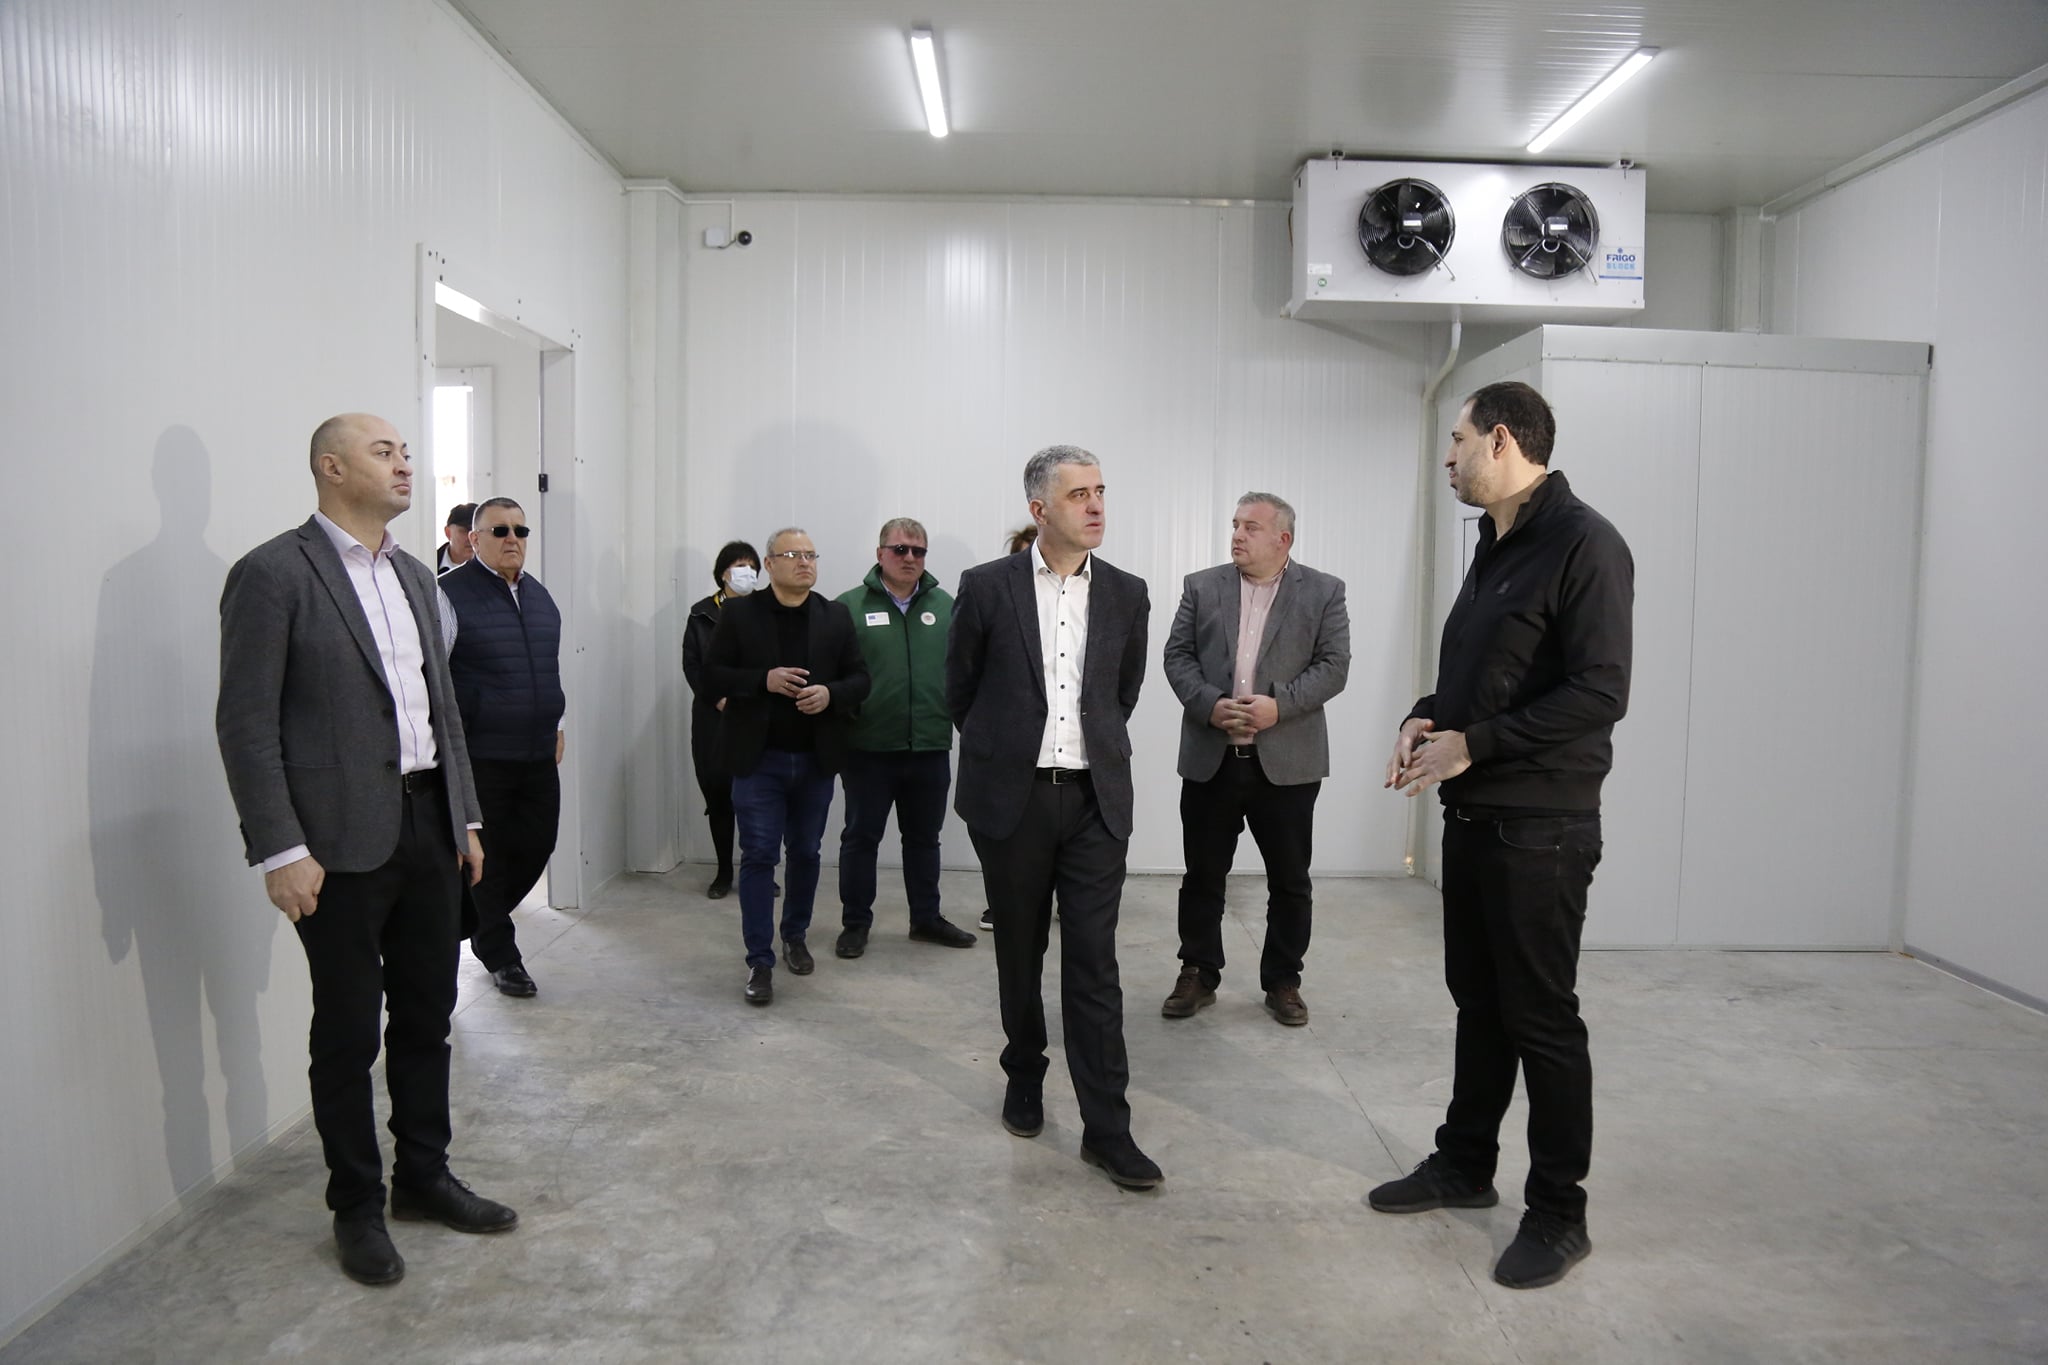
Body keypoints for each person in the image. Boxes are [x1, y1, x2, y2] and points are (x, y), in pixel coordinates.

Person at [216, 413, 516, 1288]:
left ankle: (423, 1176)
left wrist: (464, 818)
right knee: (348, 1030)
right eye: (384, 452)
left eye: (405, 453)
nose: (403, 464)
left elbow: (439, 708)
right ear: (331, 466)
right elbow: (246, 724)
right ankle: (356, 1205)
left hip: (427, 828)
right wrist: (280, 848)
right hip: (335, 843)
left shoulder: (418, 575)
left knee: (427, 1014)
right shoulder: (274, 573)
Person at [1371, 381, 1633, 1290]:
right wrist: (1425, 714)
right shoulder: (1493, 542)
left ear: (1503, 440)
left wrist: (1473, 743)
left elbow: (1601, 690)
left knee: (1541, 1018)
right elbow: (1492, 674)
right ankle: (1464, 1163)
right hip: (1475, 815)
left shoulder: (1587, 543)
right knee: (1479, 1003)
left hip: (1542, 827)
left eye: (1457, 438)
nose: (1447, 455)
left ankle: (1560, 1212)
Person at [946, 446, 1158, 1190]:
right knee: (1021, 949)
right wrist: (1006, 751)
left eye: (1100, 491)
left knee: (1095, 963)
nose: (1096, 506)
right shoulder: (986, 586)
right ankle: (1024, 1074)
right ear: (1039, 509)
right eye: (1078, 495)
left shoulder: (1127, 592)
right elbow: (961, 689)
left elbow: (1121, 692)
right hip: (1014, 800)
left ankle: (1108, 1129)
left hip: (1096, 799)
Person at [1159, 493, 1350, 1026]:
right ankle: (1198, 971)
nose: (1238, 535)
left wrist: (1278, 706)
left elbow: (1334, 666)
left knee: (1289, 880)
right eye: (1235, 525)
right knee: (1202, 875)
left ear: (1282, 539)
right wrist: (1209, 705)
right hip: (1212, 758)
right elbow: (1177, 656)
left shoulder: (1324, 591)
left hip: (1287, 764)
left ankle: (1284, 980)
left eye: (1251, 527)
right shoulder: (1201, 586)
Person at [705, 527, 870, 1005]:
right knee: (759, 856)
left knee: (806, 853)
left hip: (815, 761)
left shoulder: (835, 616)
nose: (804, 562)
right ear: (770, 564)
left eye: (811, 555)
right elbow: (711, 676)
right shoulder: (739, 614)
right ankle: (759, 960)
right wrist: (764, 680)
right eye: (793, 554)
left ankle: (794, 935)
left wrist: (831, 694)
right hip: (759, 761)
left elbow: (861, 679)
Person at [438, 497, 565, 999]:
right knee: (484, 862)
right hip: (480, 755)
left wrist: (559, 722)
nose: (513, 538)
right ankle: (499, 952)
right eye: (500, 530)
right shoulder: (447, 595)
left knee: (537, 846)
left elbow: (549, 667)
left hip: (537, 753)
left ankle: (467, 920)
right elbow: (432, 678)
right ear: (474, 539)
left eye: (520, 530)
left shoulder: (540, 597)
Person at [832, 518, 976, 958]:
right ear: (880, 554)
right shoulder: (848, 607)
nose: (909, 558)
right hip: (868, 749)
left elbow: (967, 671)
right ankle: (855, 923)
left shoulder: (947, 607)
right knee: (861, 839)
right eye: (900, 549)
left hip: (929, 747)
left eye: (918, 551)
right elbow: (831, 673)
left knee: (924, 839)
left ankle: (925, 919)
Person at [682, 541, 761, 899]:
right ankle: (724, 871)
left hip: (755, 716)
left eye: (752, 567)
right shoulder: (702, 614)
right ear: (723, 573)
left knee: (758, 799)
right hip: (712, 718)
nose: (747, 573)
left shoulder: (766, 610)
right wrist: (717, 698)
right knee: (718, 794)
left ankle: (758, 870)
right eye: (739, 566)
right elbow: (692, 665)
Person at [977, 523, 1038, 935]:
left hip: (1060, 755)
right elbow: (964, 679)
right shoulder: (991, 599)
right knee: (1002, 834)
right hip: (1005, 751)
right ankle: (1000, 903)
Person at [436, 502, 477, 576]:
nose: (472, 538)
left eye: (477, 531)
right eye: (465, 531)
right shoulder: (428, 565)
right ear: (448, 532)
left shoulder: (496, 568)